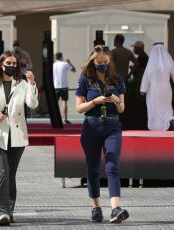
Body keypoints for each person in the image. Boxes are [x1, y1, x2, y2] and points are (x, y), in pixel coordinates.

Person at [0, 51, 38, 226]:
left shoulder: (21, 84)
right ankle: (1, 212)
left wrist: (32, 84)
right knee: (3, 173)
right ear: (1, 64)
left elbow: (32, 104)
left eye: (15, 63)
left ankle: (9, 212)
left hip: (18, 135)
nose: (12, 66)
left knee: (11, 175)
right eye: (9, 63)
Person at [75, 45, 129, 223]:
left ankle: (115, 209)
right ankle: (96, 207)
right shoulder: (85, 79)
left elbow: (121, 109)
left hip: (112, 126)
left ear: (110, 61)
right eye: (99, 62)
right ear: (93, 61)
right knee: (93, 168)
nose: (102, 65)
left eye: (105, 62)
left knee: (112, 165)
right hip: (91, 127)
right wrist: (94, 101)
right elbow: (79, 108)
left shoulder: (117, 79)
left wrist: (116, 100)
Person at [140, 42, 174, 131]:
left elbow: (146, 77)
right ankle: (171, 120)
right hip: (166, 89)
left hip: (154, 91)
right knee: (167, 108)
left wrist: (143, 89)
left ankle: (156, 128)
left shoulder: (151, 64)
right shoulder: (167, 63)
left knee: (154, 108)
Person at [53, 52, 76, 124]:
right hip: (64, 86)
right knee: (64, 101)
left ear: (55, 57)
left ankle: (55, 118)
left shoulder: (53, 65)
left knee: (55, 103)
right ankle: (65, 119)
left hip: (55, 86)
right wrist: (69, 62)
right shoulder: (65, 64)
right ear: (61, 57)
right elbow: (74, 70)